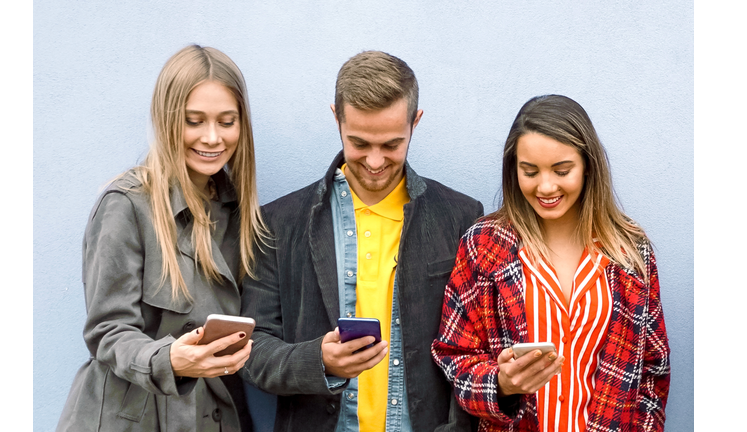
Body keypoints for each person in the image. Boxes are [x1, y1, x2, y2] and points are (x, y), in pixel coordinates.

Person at [240, 50, 484, 432]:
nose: (374, 161)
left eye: (391, 144)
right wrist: (318, 361)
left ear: (415, 123)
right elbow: (253, 348)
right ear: (336, 118)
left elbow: (475, 349)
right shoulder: (278, 222)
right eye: (359, 143)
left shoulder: (461, 217)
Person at [57, 45, 267, 432]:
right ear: (167, 119)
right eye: (194, 120)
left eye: (226, 121)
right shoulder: (126, 205)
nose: (212, 137)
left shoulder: (238, 213)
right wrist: (170, 359)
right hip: (129, 418)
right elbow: (107, 331)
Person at [431, 95, 671, 431]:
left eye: (562, 170)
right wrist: (501, 385)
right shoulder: (485, 245)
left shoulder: (631, 252)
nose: (546, 186)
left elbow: (652, 370)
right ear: (513, 169)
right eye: (530, 171)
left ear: (588, 165)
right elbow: (454, 355)